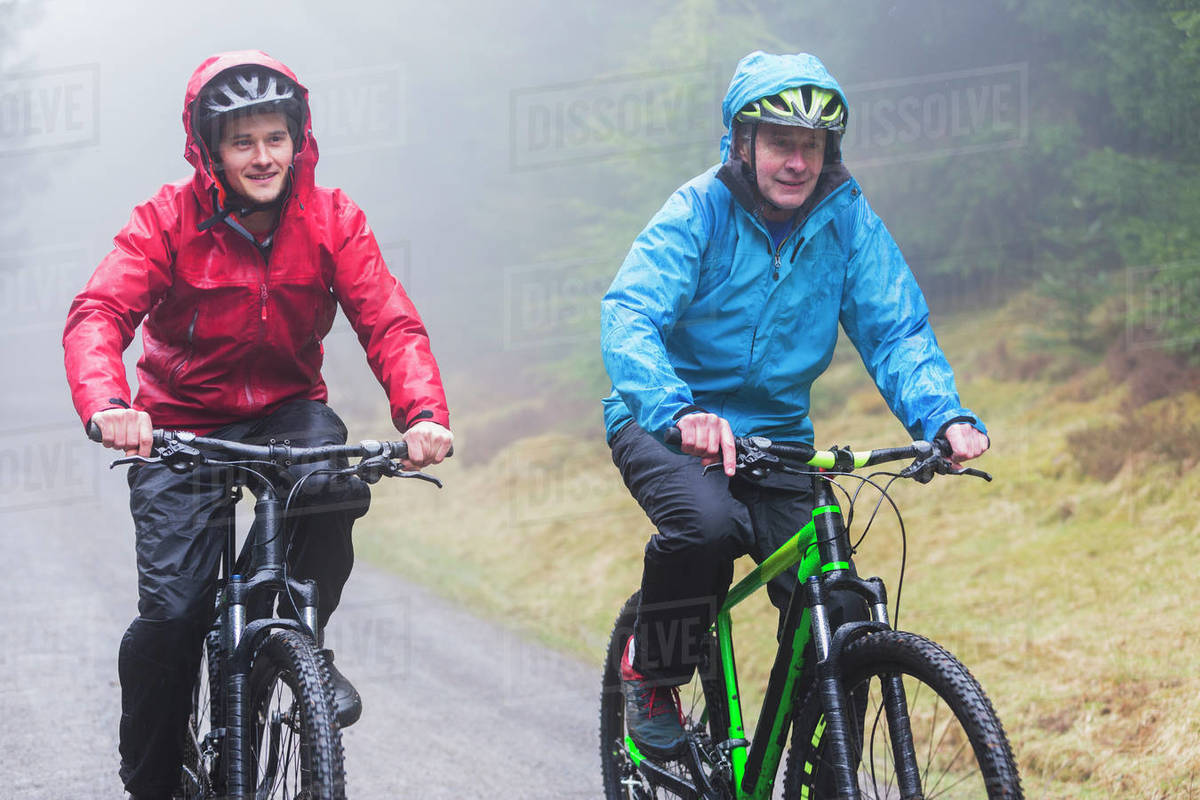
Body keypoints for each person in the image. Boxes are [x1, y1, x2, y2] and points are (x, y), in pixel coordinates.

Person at [62, 51, 452, 800]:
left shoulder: (332, 219)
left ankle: (292, 642)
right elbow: (99, 312)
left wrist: (425, 414)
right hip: (177, 423)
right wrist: (111, 405)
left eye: (275, 138)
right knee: (175, 616)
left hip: (284, 412)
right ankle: (152, 777)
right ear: (210, 150)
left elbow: (391, 324)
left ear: (298, 140)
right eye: (243, 141)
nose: (262, 156)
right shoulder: (165, 220)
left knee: (333, 479)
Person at [600, 50, 989, 757]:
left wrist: (944, 416)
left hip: (777, 437)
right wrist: (675, 408)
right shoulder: (698, 210)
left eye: (812, 146)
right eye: (782, 142)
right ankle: (653, 675)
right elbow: (630, 313)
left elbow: (894, 327)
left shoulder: (845, 219)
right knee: (706, 526)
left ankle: (817, 757)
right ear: (743, 143)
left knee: (838, 599)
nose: (797, 161)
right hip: (666, 422)